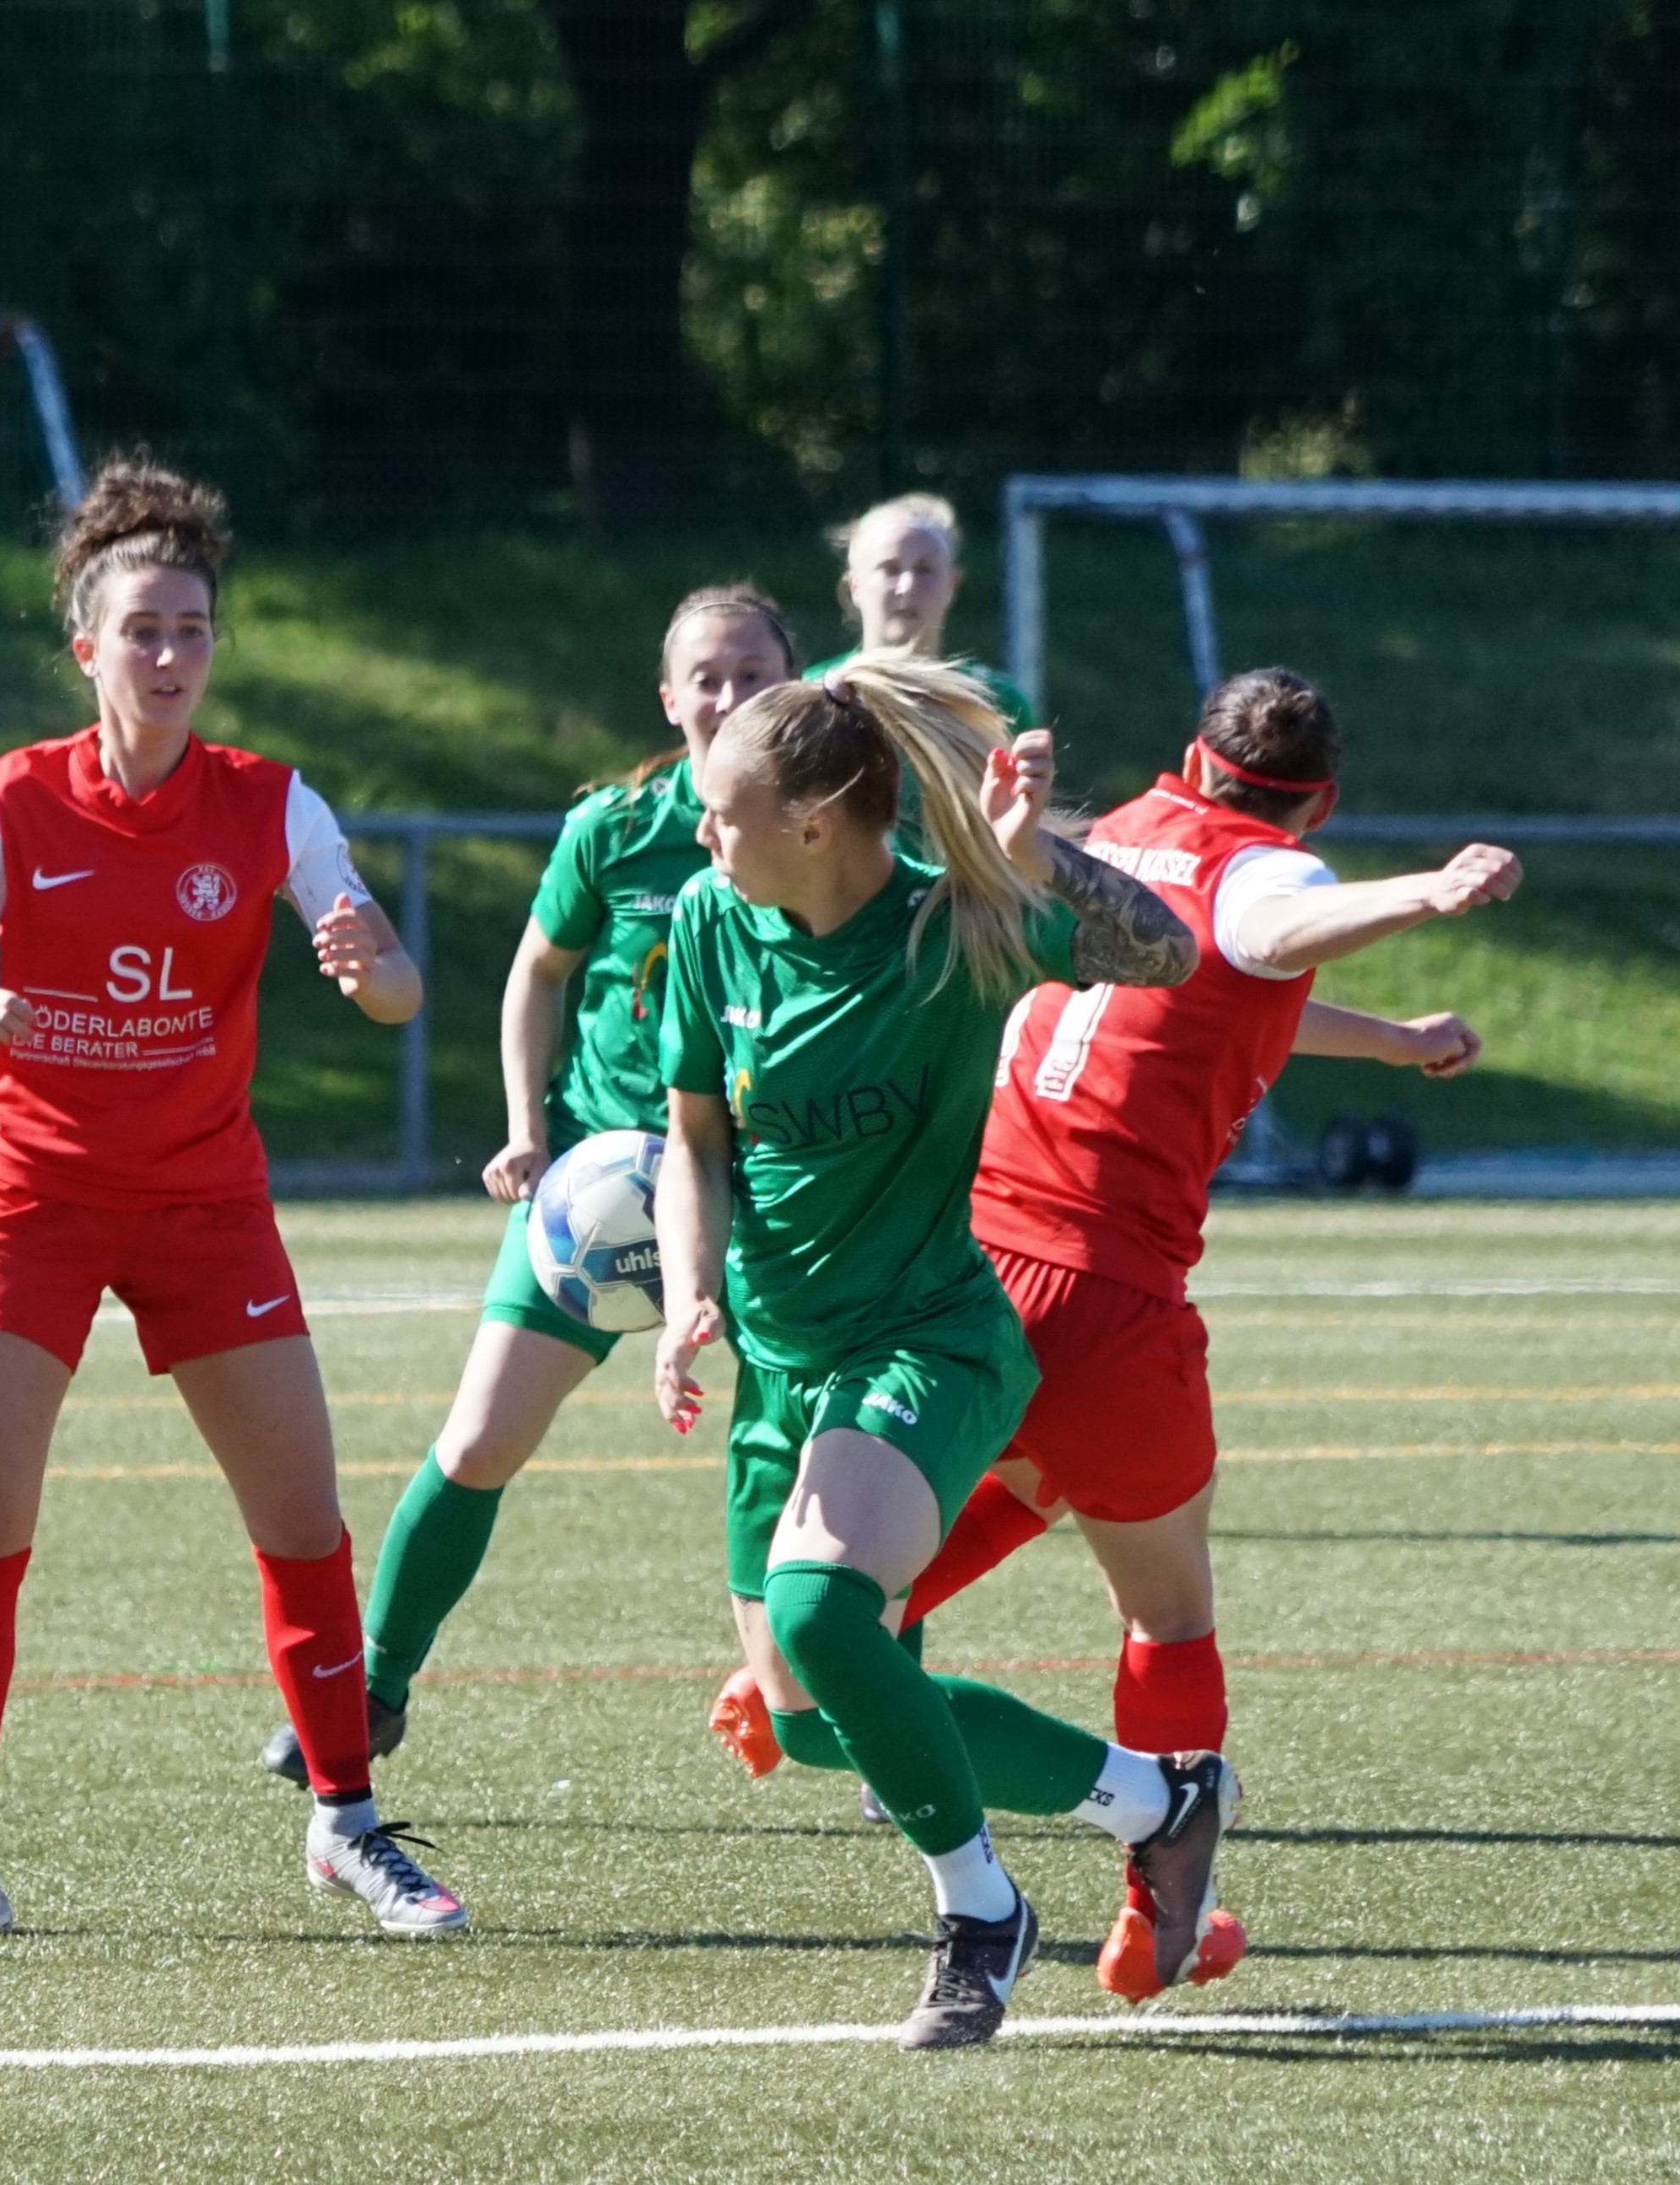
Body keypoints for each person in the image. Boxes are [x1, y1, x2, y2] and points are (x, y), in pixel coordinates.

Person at [720, 669, 1518, 2001]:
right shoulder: (1267, 870)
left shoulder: (1112, 838)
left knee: (910, 1564)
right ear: (1312, 798)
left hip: (965, 1272)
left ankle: (801, 1669)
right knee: (1165, 1609)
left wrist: (1385, 1043)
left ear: (1189, 759)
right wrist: (1428, 892)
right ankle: (1163, 1906)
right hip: (1101, 1296)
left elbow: (1209, 987)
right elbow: (1266, 930)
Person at [0, 455, 453, 1941]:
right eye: (141, 631)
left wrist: (368, 971)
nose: (170, 656)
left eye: (191, 630)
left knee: (301, 1514)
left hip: (204, 1202)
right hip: (34, 1195)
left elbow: (391, 984)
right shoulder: (13, 797)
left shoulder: (267, 804)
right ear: (87, 649)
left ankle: (345, 1825)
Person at [651, 657, 1237, 2049]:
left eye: (720, 815)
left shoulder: (952, 926)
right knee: (810, 1720)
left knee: (817, 1615)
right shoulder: (706, 923)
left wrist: (1034, 856)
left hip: (925, 1340)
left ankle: (979, 1913)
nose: (699, 836)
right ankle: (1160, 1804)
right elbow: (688, 1138)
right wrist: (686, 1292)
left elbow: (1166, 952)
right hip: (775, 1367)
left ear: (809, 821)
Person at [255, 585, 796, 1788]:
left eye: (750, 672)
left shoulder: (829, 835)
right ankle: (371, 1689)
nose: (726, 696)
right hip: (603, 1188)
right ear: (667, 695)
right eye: (703, 675)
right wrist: (524, 1128)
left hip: (767, 1190)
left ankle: (855, 1697)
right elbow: (534, 975)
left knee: (822, 1453)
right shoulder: (612, 826)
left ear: (792, 684)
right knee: (477, 1437)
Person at [809, 492, 1035, 734]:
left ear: (952, 585)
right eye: (890, 569)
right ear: (855, 586)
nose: (907, 586)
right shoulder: (814, 690)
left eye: (924, 570)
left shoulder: (996, 701)